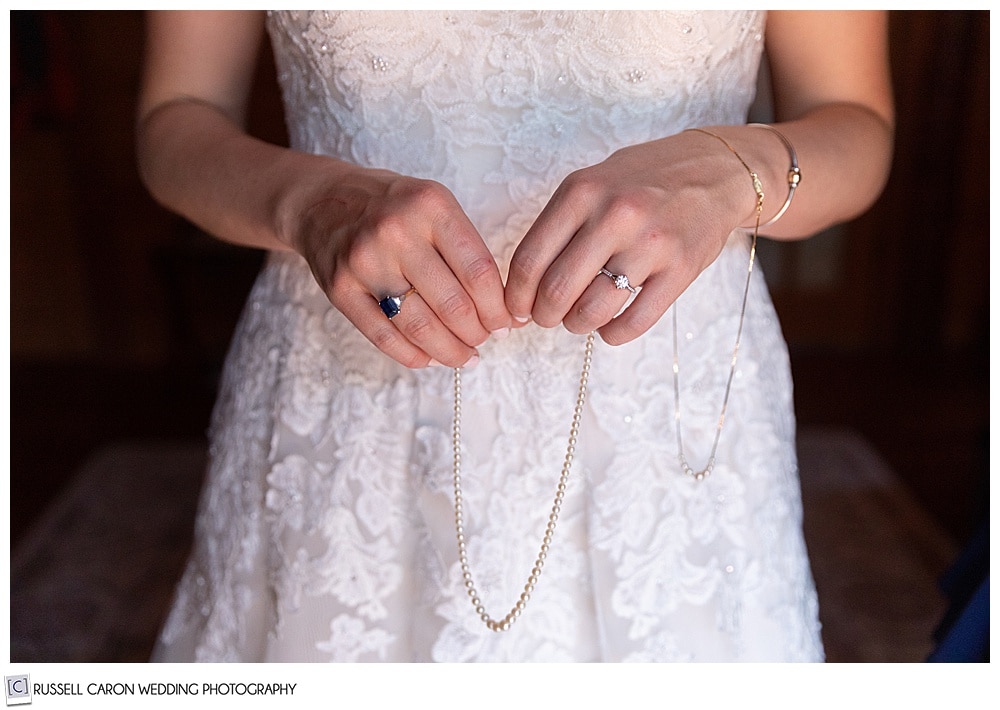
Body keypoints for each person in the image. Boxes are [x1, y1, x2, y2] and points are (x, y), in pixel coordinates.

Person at [137, 10, 893, 662]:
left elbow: (853, 121)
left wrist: (732, 172)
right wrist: (309, 203)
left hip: (667, 404)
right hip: (350, 385)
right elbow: (178, 113)